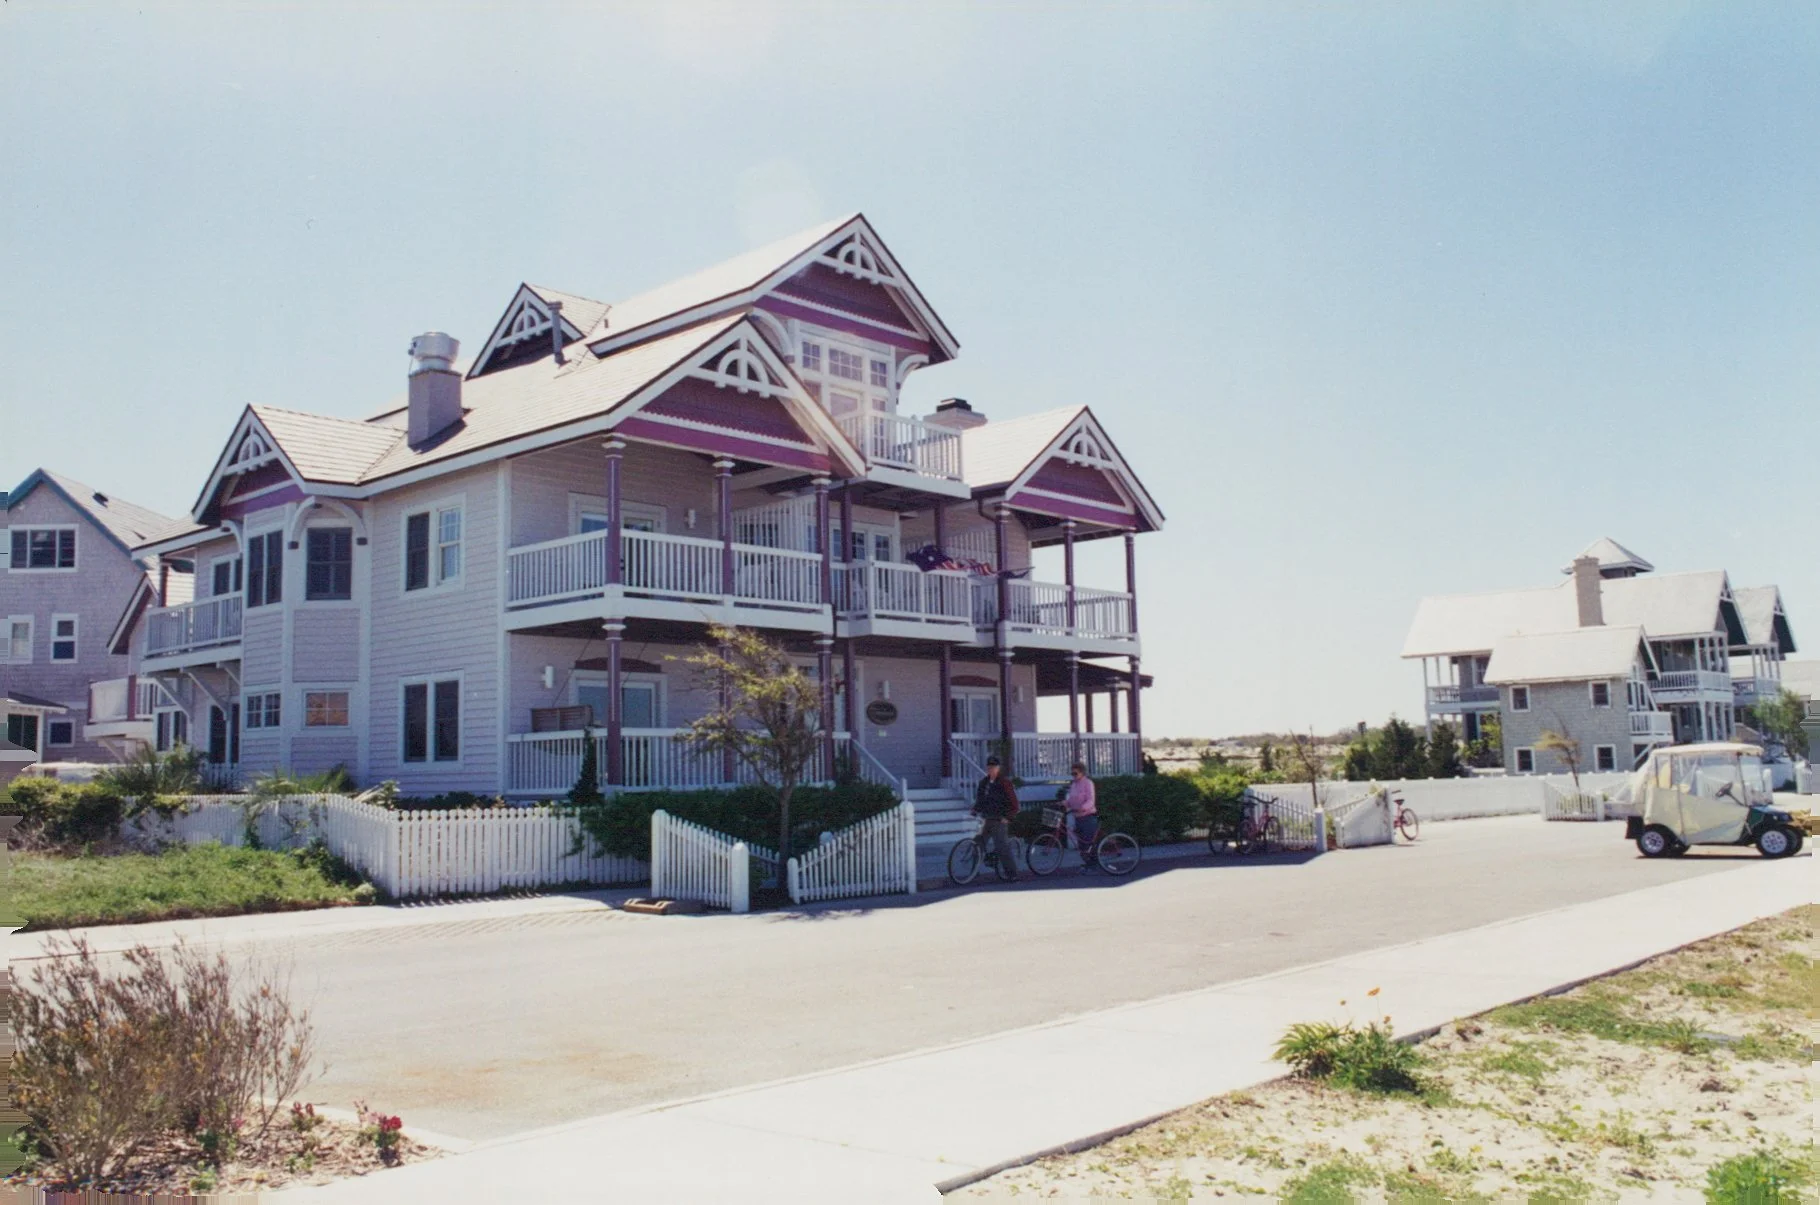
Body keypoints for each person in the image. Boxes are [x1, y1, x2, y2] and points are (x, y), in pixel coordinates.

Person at [972, 755, 1021, 880]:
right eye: (989, 767)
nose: (991, 770)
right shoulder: (984, 783)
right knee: (977, 843)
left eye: (993, 767)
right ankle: (973, 871)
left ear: (998, 768)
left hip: (1000, 819)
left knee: (1002, 846)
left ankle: (1012, 874)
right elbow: (980, 800)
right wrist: (975, 809)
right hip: (986, 818)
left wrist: (1008, 817)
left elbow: (1014, 804)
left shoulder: (1004, 783)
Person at [1063, 761, 1100, 871]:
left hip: (1088, 816)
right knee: (1081, 844)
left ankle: (1093, 865)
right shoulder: (1074, 784)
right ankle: (1089, 864)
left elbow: (1091, 800)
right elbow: (1072, 799)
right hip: (1077, 816)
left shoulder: (1088, 783)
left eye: (1076, 774)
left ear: (1082, 773)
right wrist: (1065, 803)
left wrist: (1083, 808)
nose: (1073, 776)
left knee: (1088, 843)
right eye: (1072, 774)